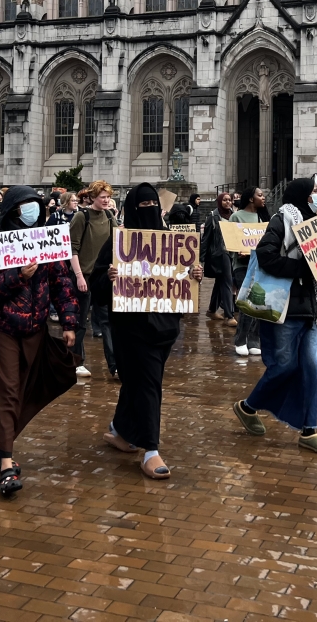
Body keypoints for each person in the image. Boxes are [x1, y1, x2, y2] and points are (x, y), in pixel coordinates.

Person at [0, 185, 81, 496]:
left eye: (36, 206)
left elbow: (62, 282)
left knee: (22, 390)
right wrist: (17, 276)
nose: (32, 212)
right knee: (6, 391)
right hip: (0, 328)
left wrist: (69, 322)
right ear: (13, 209)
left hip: (35, 330)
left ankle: (1, 442)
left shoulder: (46, 239)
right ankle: (6, 462)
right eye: (26, 206)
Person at [100, 184, 203, 479]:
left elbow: (182, 278)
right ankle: (150, 449)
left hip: (166, 326)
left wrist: (194, 274)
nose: (149, 211)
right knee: (148, 383)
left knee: (140, 380)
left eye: (152, 205)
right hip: (131, 327)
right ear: (132, 209)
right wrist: (109, 277)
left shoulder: (173, 240)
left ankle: (121, 430)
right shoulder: (118, 243)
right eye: (142, 206)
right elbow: (97, 285)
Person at [232, 178, 317, 455]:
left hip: (310, 309)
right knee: (285, 367)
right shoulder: (283, 219)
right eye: (314, 191)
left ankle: (309, 430)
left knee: (312, 369)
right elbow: (265, 255)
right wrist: (303, 269)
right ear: (301, 194)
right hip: (285, 307)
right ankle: (248, 406)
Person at [69, 180, 118, 377]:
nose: (107, 201)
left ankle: (114, 365)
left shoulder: (108, 216)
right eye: (102, 197)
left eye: (108, 197)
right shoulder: (82, 217)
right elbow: (72, 249)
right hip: (86, 275)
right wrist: (79, 276)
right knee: (81, 321)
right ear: (92, 198)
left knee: (107, 320)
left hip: (104, 277)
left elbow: (119, 239)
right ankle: (76, 361)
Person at [229, 190, 263, 357]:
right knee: (247, 302)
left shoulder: (261, 218)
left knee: (258, 300)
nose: (263, 198)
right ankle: (240, 339)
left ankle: (254, 339)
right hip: (241, 265)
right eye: (260, 195)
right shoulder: (236, 217)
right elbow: (228, 240)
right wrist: (238, 250)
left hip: (258, 265)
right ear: (251, 198)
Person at [201, 192, 236, 324]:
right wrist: (201, 259)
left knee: (220, 282)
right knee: (227, 282)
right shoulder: (213, 216)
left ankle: (211, 310)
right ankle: (229, 316)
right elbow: (206, 239)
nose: (228, 202)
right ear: (220, 201)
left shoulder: (234, 216)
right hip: (219, 254)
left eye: (230, 200)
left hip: (231, 253)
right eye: (225, 200)